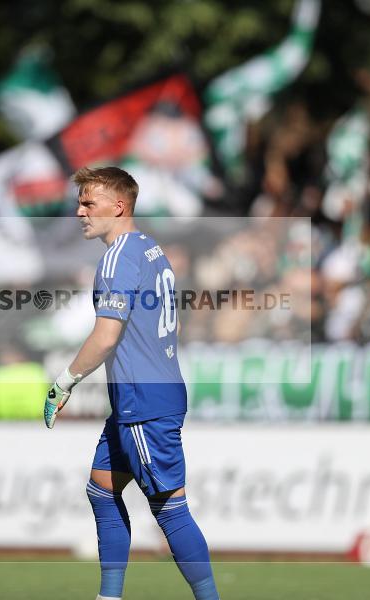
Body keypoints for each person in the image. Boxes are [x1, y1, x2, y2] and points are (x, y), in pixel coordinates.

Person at [43, 166, 219, 600]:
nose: (79, 211)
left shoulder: (119, 257)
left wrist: (62, 384)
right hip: (144, 394)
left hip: (145, 400)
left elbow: (105, 337)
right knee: (101, 487)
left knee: (169, 509)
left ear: (118, 206)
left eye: (89, 203)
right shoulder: (149, 249)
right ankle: (109, 597)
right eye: (80, 202)